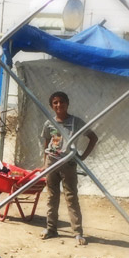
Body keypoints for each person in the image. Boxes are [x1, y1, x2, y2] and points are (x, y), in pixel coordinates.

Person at [39, 91, 98, 245]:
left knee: (71, 198)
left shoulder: (76, 122)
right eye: (55, 103)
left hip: (68, 164)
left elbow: (93, 137)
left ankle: (77, 232)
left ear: (67, 103)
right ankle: (51, 229)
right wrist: (44, 163)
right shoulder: (49, 123)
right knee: (52, 196)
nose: (59, 105)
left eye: (62, 102)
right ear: (51, 106)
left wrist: (82, 157)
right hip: (52, 162)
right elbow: (46, 142)